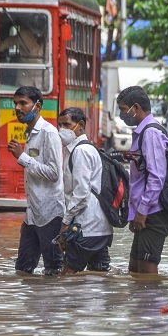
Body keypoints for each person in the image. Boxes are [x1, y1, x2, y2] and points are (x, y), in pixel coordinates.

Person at [8, 85, 65, 275]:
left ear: (37, 106)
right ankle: (30, 303)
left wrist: (22, 157)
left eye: (23, 103)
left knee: (54, 269)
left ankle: (52, 304)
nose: (17, 108)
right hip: (33, 213)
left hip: (50, 213)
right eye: (15, 103)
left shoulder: (49, 133)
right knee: (23, 269)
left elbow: (54, 173)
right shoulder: (30, 133)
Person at [118, 85, 168, 274]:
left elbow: (157, 177)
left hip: (153, 211)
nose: (121, 115)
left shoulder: (150, 132)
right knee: (135, 270)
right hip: (146, 209)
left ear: (136, 107)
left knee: (147, 272)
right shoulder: (145, 132)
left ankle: (153, 305)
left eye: (124, 110)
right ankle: (141, 304)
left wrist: (141, 212)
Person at [56, 107, 113, 274]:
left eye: (67, 124)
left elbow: (81, 194)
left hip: (87, 228)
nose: (62, 130)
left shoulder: (80, 151)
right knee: (99, 275)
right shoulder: (88, 148)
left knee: (67, 275)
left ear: (80, 125)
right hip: (101, 229)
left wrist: (65, 223)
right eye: (59, 125)